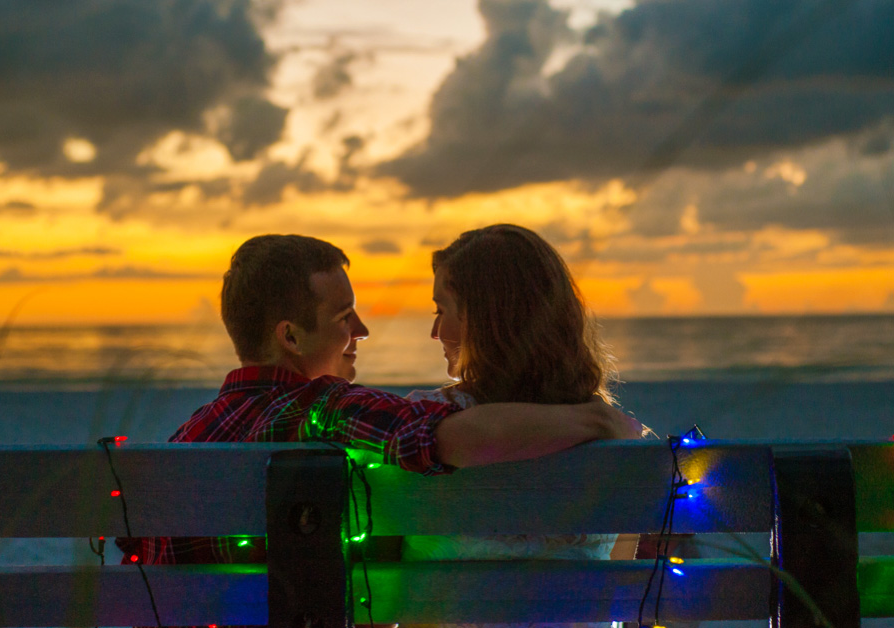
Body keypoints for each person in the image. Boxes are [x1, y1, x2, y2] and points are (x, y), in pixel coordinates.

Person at [118, 233, 642, 566]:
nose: (363, 330)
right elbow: (438, 438)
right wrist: (599, 419)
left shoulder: (186, 440)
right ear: (291, 338)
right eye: (345, 318)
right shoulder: (327, 412)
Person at [402, 225, 640, 609]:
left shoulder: (422, 423)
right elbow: (615, 582)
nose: (434, 331)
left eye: (440, 310)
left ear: (484, 319)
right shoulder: (618, 440)